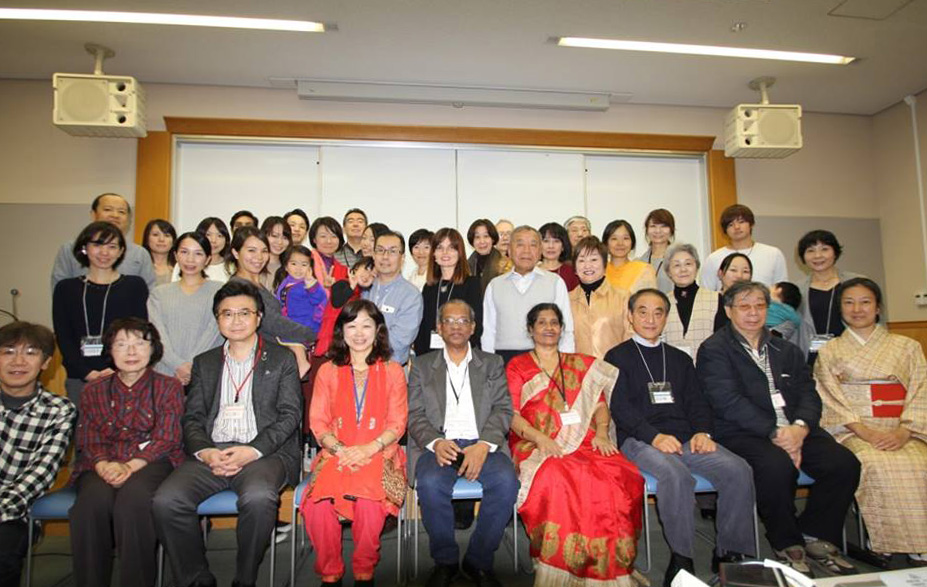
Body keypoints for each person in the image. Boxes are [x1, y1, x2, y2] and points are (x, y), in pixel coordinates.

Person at [696, 281, 860, 576]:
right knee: (776, 467)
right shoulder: (714, 349)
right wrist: (775, 433)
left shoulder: (785, 348)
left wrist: (800, 428)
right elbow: (726, 400)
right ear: (729, 311)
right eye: (744, 306)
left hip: (795, 428)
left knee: (843, 463)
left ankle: (815, 534)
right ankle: (787, 542)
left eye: (760, 306)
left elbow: (809, 393)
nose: (753, 313)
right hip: (744, 431)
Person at [153, 279, 302, 587]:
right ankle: (196, 578)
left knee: (259, 498)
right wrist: (206, 451)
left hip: (264, 454)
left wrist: (252, 450)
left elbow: (290, 416)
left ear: (258, 317)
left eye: (244, 313)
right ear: (217, 319)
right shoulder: (205, 362)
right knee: (167, 500)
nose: (236, 321)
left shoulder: (281, 358)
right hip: (212, 452)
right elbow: (192, 417)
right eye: (227, 314)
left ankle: (245, 578)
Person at [605, 289, 756, 586]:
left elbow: (698, 401)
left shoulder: (680, 358)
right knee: (676, 476)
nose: (650, 319)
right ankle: (682, 558)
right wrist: (654, 436)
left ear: (666, 317)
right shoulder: (617, 357)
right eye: (643, 312)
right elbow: (620, 408)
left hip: (687, 438)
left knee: (738, 469)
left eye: (658, 312)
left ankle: (730, 554)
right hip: (640, 440)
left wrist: (703, 431)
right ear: (630, 316)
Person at [507, 303, 643, 586]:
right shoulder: (518, 366)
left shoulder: (581, 363)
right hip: (535, 441)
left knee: (621, 475)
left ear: (561, 328)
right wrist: (541, 438)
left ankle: (611, 569)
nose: (548, 328)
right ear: (530, 330)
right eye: (541, 322)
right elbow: (512, 414)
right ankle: (560, 568)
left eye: (554, 322)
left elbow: (600, 406)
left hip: (586, 439)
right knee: (558, 477)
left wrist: (602, 432)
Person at [815, 278, 927, 564]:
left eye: (865, 302)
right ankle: (884, 538)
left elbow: (921, 390)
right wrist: (865, 432)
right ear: (841, 308)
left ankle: (920, 541)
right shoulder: (830, 351)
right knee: (875, 463)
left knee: (919, 462)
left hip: (902, 427)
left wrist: (905, 431)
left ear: (878, 308)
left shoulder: (908, 346)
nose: (857, 309)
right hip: (855, 428)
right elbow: (829, 397)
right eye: (849, 302)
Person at [408, 300, 518, 587]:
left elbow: (503, 409)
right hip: (440, 444)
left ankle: (478, 560)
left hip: (481, 442)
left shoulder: (492, 363)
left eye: (462, 321)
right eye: (449, 321)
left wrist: (483, 445)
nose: (456, 326)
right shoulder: (422, 366)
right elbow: (414, 413)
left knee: (506, 482)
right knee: (430, 483)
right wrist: (435, 442)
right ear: (439, 327)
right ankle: (445, 561)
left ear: (473, 327)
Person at [70, 317, 184, 587]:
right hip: (101, 464)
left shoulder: (169, 387)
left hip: (151, 463)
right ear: (110, 350)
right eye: (121, 344)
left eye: (140, 344)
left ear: (153, 349)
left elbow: (167, 438)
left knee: (133, 503)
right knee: (90, 505)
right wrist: (103, 465)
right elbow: (89, 438)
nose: (131, 352)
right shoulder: (93, 390)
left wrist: (129, 466)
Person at [300, 300, 407, 587]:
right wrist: (341, 449)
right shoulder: (328, 370)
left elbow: (397, 423)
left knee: (369, 502)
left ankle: (364, 572)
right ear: (341, 331)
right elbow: (318, 422)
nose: (359, 333)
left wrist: (369, 448)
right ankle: (330, 574)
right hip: (336, 453)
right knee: (318, 505)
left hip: (380, 453)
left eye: (366, 326)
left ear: (378, 330)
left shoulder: (393, 371)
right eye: (352, 326)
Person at [0, 322, 75, 586]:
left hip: (13, 512)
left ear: (45, 362)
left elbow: (42, 473)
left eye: (30, 352)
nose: (18, 361)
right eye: (8, 351)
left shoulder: (59, 410)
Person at [53, 221, 149, 404]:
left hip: (125, 375)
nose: (104, 252)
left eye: (112, 246)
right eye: (97, 245)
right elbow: (63, 336)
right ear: (84, 248)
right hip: (79, 377)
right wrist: (87, 373)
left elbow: (140, 333)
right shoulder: (65, 289)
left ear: (121, 251)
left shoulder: (135, 286)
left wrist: (117, 368)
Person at [482, 226, 575, 363]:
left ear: (540, 251)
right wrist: (489, 366)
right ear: (509, 250)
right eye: (520, 244)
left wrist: (566, 363)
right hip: (504, 360)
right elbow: (489, 331)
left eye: (533, 245)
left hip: (545, 358)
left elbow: (566, 328)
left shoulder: (555, 282)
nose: (526, 250)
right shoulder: (495, 285)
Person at [147, 232, 224, 385]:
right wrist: (177, 365)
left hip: (205, 373)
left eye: (198, 253)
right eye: (184, 252)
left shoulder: (220, 291)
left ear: (208, 259)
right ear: (175, 255)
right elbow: (157, 334)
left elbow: (215, 333)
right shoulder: (159, 293)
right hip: (165, 374)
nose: (190, 259)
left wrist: (191, 366)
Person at [227, 226, 316, 351]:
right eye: (251, 250)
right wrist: (315, 334)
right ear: (236, 253)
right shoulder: (238, 287)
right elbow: (273, 323)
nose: (259, 257)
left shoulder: (255, 283)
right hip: (261, 356)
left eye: (264, 251)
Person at [51, 192, 156, 290]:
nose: (115, 215)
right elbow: (60, 289)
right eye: (107, 209)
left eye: (121, 212)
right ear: (93, 214)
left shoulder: (140, 254)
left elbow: (148, 292)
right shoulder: (70, 249)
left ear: (128, 219)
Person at [414, 228, 483, 356]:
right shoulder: (429, 287)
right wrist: (421, 357)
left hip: (461, 355)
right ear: (434, 254)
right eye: (440, 247)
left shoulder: (471, 284)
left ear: (459, 253)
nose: (445, 252)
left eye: (451, 248)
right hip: (430, 356)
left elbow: (476, 325)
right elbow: (422, 327)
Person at [795, 230, 862, 361]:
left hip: (854, 355)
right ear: (803, 257)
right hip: (813, 357)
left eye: (824, 249)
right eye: (810, 251)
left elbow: (875, 320)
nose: (817, 255)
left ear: (835, 252)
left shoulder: (858, 283)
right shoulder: (797, 289)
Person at [362, 231, 423, 366]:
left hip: (391, 368)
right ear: (373, 254)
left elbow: (400, 339)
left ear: (402, 258)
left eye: (392, 251)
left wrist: (361, 342)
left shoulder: (411, 295)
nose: (385, 256)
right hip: (359, 366)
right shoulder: (365, 288)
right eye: (380, 250)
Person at [569, 236, 630, 359]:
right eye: (581, 260)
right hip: (578, 368)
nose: (587, 266)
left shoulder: (623, 297)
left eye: (594, 259)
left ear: (604, 263)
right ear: (575, 267)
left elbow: (631, 338)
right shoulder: (567, 299)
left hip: (614, 367)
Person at [701, 204, 788, 291]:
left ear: (751, 224)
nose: (736, 227)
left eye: (741, 222)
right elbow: (706, 294)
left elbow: (782, 291)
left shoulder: (773, 254)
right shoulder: (714, 258)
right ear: (725, 230)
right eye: (730, 224)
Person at [662, 243, 718, 361]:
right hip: (672, 366)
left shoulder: (716, 299)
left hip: (708, 366)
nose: (683, 269)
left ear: (697, 267)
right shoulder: (661, 302)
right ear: (668, 272)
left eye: (688, 264)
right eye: (676, 265)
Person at [274, 245, 328, 335]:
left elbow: (320, 299)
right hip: (289, 327)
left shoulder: (311, 284)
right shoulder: (286, 281)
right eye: (293, 264)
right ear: (286, 266)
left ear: (310, 268)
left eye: (304, 264)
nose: (298, 268)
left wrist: (311, 285)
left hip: (307, 329)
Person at [603, 219, 657, 294]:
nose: (620, 243)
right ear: (606, 244)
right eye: (614, 239)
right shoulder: (599, 271)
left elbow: (650, 299)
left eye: (626, 238)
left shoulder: (644, 270)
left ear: (632, 243)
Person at [466, 219, 512, 295]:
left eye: (486, 236)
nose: (482, 241)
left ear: (493, 239)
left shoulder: (506, 265)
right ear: (472, 241)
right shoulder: (466, 267)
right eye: (477, 237)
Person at [636, 209, 675, 293]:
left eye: (664, 226)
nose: (658, 231)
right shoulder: (638, 263)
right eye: (653, 226)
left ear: (672, 230)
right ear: (647, 230)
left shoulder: (678, 260)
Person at [713, 252, 753, 333]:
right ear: (720, 273)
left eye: (745, 271)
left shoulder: (755, 302)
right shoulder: (710, 301)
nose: (739, 276)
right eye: (733, 270)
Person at [309, 216, 350, 293]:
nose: (329, 241)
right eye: (323, 236)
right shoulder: (306, 262)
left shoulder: (344, 270)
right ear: (314, 239)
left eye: (334, 236)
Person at [538, 222, 579, 291]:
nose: (551, 246)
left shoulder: (572, 273)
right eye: (546, 241)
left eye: (556, 241)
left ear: (563, 246)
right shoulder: (531, 271)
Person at [194, 217, 232, 283]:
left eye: (219, 235)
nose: (213, 240)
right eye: (208, 235)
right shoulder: (187, 264)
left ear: (226, 240)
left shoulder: (232, 267)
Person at [259, 216, 293, 290]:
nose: (280, 242)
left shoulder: (291, 268)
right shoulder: (254, 265)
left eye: (285, 238)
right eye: (274, 236)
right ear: (263, 235)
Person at [142, 218, 177, 286]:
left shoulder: (178, 268)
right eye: (155, 235)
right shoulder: (140, 267)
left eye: (167, 235)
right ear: (147, 239)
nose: (161, 239)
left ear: (173, 241)